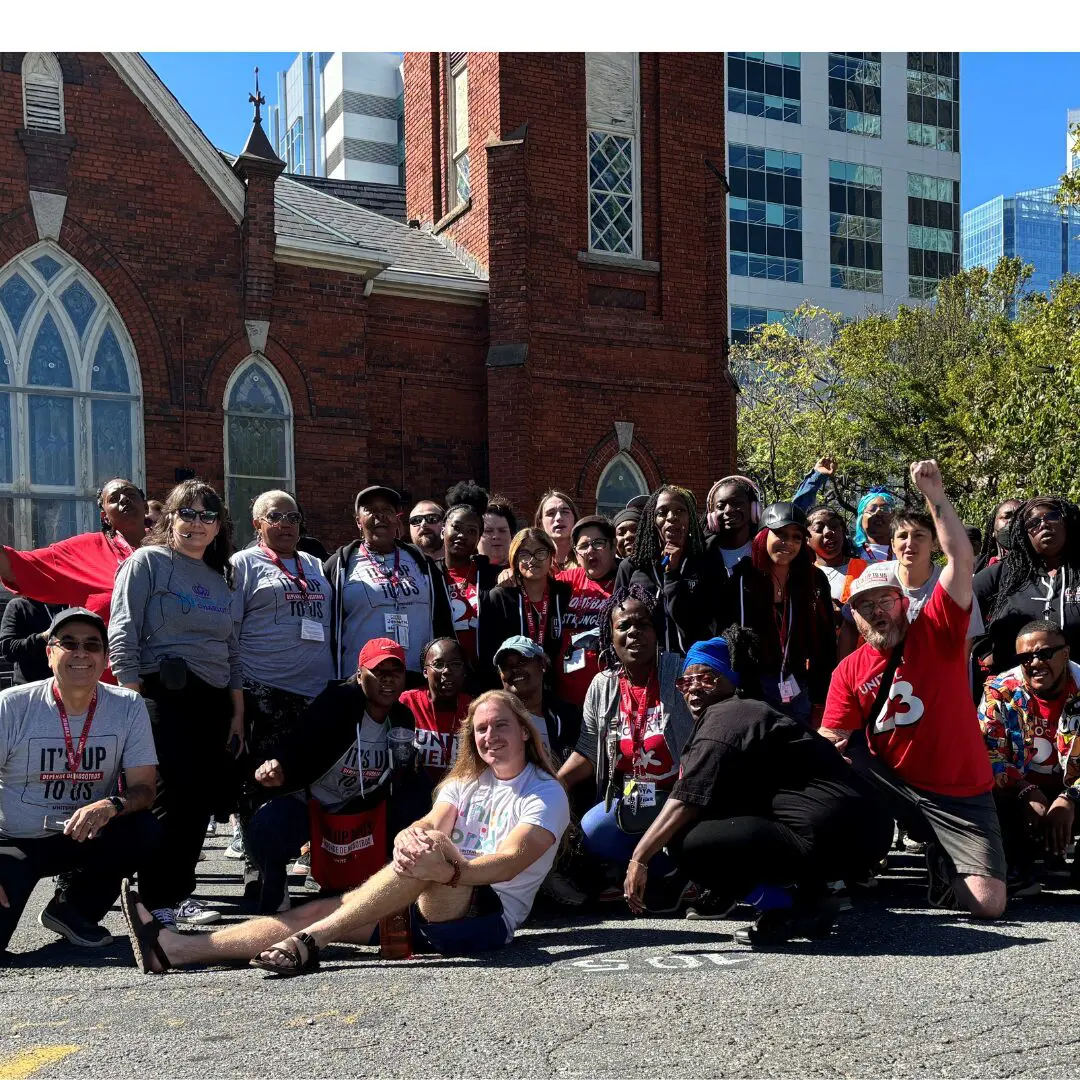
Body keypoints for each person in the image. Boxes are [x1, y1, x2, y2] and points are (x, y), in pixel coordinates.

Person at [120, 691, 570, 975]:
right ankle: (177, 949)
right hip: (421, 894)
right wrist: (410, 837)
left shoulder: (546, 794)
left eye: (501, 726)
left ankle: (311, 944)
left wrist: (447, 868)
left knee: (430, 853)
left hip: (485, 917)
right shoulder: (462, 782)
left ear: (526, 734)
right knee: (309, 909)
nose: (490, 736)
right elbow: (430, 823)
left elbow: (511, 860)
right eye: (482, 728)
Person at [820, 460, 1007, 919]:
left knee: (988, 905)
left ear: (904, 604)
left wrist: (935, 497)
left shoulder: (936, 631)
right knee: (839, 761)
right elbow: (832, 738)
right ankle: (855, 858)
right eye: (865, 607)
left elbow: (961, 560)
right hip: (895, 783)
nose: (877, 612)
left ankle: (944, 855)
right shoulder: (848, 670)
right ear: (854, 617)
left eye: (885, 601)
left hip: (959, 790)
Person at [623, 628, 892, 945]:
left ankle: (792, 907)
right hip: (865, 831)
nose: (693, 689)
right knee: (728, 814)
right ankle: (813, 896)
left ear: (730, 680)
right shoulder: (752, 712)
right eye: (686, 682)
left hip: (840, 832)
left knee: (687, 843)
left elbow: (687, 800)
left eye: (707, 678)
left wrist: (639, 858)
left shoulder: (726, 716)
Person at [109, 480, 243, 928]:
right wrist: (130, 698)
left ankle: (178, 892)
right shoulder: (147, 562)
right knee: (167, 796)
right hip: (162, 694)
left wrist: (237, 711)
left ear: (218, 526)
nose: (197, 523)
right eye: (188, 513)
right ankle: (155, 898)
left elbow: (232, 648)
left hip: (213, 699)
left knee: (198, 802)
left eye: (207, 516)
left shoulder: (220, 576)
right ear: (169, 518)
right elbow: (123, 630)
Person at [0, 608, 159, 954]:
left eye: (92, 644)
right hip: (16, 839)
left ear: (104, 657)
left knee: (143, 828)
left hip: (86, 834)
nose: (81, 653)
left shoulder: (128, 705)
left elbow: (145, 788)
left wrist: (112, 803)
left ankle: (71, 909)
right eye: (68, 643)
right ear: (49, 652)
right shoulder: (12, 705)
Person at [241, 638, 416, 914]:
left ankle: (392, 892)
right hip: (313, 804)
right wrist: (279, 767)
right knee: (264, 828)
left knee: (414, 807)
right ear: (360, 676)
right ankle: (275, 900)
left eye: (396, 672)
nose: (388, 680)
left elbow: (404, 775)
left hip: (357, 811)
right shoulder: (338, 703)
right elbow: (301, 739)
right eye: (378, 672)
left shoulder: (403, 717)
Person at [558, 585, 695, 912]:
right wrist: (555, 783)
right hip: (632, 799)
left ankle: (684, 872)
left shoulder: (679, 672)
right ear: (610, 636)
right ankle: (668, 874)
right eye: (624, 626)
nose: (635, 632)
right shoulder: (602, 686)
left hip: (681, 798)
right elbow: (588, 751)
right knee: (592, 830)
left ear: (656, 630)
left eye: (643, 624)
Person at [229, 491, 335, 865]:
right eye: (275, 516)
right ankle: (258, 869)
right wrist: (237, 703)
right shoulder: (242, 564)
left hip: (315, 694)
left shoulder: (315, 564)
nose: (286, 523)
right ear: (257, 524)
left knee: (307, 783)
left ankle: (311, 858)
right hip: (264, 692)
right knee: (261, 784)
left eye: (293, 516)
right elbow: (230, 634)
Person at [0, 478, 149, 675]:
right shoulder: (84, 550)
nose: (124, 500)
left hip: (173, 684)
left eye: (131, 495)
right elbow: (16, 565)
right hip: (111, 687)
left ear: (145, 505)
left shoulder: (171, 549)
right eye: (114, 498)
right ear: (104, 516)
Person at [978, 620, 1080, 892]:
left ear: (1066, 653)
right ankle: (1015, 865)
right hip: (1018, 794)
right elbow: (988, 752)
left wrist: (1069, 799)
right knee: (982, 789)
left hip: (1073, 793)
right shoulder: (1001, 690)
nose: (1035, 663)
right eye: (1025, 657)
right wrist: (1025, 790)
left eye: (1045, 653)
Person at [324, 485, 453, 682]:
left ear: (396, 519)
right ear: (358, 521)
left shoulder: (423, 564)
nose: (380, 516)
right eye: (371, 510)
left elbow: (443, 622)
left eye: (387, 511)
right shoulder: (340, 565)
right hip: (362, 680)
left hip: (416, 679)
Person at [725, 503, 836, 725]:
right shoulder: (741, 579)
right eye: (781, 534)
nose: (789, 544)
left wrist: (820, 696)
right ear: (763, 535)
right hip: (752, 690)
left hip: (799, 686)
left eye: (796, 537)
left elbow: (826, 640)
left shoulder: (813, 580)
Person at [838, 507, 986, 658]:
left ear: (934, 543)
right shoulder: (874, 574)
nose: (909, 543)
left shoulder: (952, 585)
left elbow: (964, 642)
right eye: (902, 536)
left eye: (919, 536)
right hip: (883, 677)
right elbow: (850, 627)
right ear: (893, 544)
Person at [974, 497, 1080, 675]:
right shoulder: (1005, 573)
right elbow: (961, 603)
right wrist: (984, 649)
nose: (1044, 524)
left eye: (1052, 516)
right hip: (1017, 691)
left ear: (1066, 521)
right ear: (1023, 533)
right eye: (1033, 522)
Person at [615, 486, 726, 655]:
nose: (671, 517)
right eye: (662, 512)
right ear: (652, 520)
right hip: (647, 665)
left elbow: (706, 621)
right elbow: (618, 621)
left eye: (680, 510)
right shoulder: (632, 566)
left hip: (695, 664)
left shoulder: (706, 559)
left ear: (690, 518)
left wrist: (672, 574)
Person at [477, 529, 571, 690]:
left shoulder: (564, 593)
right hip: (513, 689)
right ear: (514, 560)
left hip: (557, 689)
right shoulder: (499, 597)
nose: (532, 560)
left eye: (540, 552)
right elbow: (488, 652)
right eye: (524, 554)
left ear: (551, 556)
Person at [556, 516, 619, 708]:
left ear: (613, 546)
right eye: (583, 546)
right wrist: (510, 572)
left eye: (598, 543)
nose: (590, 550)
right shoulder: (566, 581)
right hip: (565, 698)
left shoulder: (625, 581)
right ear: (576, 553)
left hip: (609, 697)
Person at [438, 484, 501, 668]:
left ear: (479, 537)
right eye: (456, 527)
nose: (462, 535)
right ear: (443, 530)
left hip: (484, 674)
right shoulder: (429, 574)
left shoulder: (493, 576)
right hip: (443, 675)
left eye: (471, 531)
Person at [494, 636, 582, 766]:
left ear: (542, 665)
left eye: (522, 662)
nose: (515, 670)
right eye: (506, 666)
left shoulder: (569, 715)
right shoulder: (493, 719)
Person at [400, 638, 473, 786]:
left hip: (459, 794)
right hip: (414, 794)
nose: (447, 671)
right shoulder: (406, 703)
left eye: (455, 664)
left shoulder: (474, 708)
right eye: (438, 664)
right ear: (425, 671)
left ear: (464, 670)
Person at [805, 507, 867, 610]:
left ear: (843, 533)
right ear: (807, 540)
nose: (828, 532)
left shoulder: (868, 568)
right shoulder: (803, 577)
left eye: (834, 526)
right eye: (819, 529)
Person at [703, 475, 762, 573]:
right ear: (711, 515)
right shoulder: (702, 554)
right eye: (720, 506)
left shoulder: (766, 551)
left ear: (754, 508)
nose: (728, 510)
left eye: (737, 503)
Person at [0, 598, 64, 684]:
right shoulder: (18, 605)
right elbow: (8, 649)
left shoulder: (70, 607)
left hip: (67, 686)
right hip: (30, 687)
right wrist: (42, 637)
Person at [975, 498, 1022, 575]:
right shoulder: (976, 565)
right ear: (993, 529)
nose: (1013, 521)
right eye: (1007, 516)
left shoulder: (1038, 565)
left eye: (1020, 517)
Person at [534, 490, 579, 571]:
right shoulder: (532, 561)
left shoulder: (587, 558)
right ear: (540, 523)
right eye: (550, 513)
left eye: (565, 512)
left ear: (574, 518)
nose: (559, 518)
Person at [852, 490, 897, 563]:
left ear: (894, 517)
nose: (878, 512)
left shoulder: (904, 551)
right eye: (872, 509)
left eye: (885, 509)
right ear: (861, 518)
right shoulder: (851, 552)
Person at [479, 497, 517, 569]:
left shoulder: (524, 574)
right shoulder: (465, 575)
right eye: (488, 531)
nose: (496, 536)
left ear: (512, 536)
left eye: (502, 531)